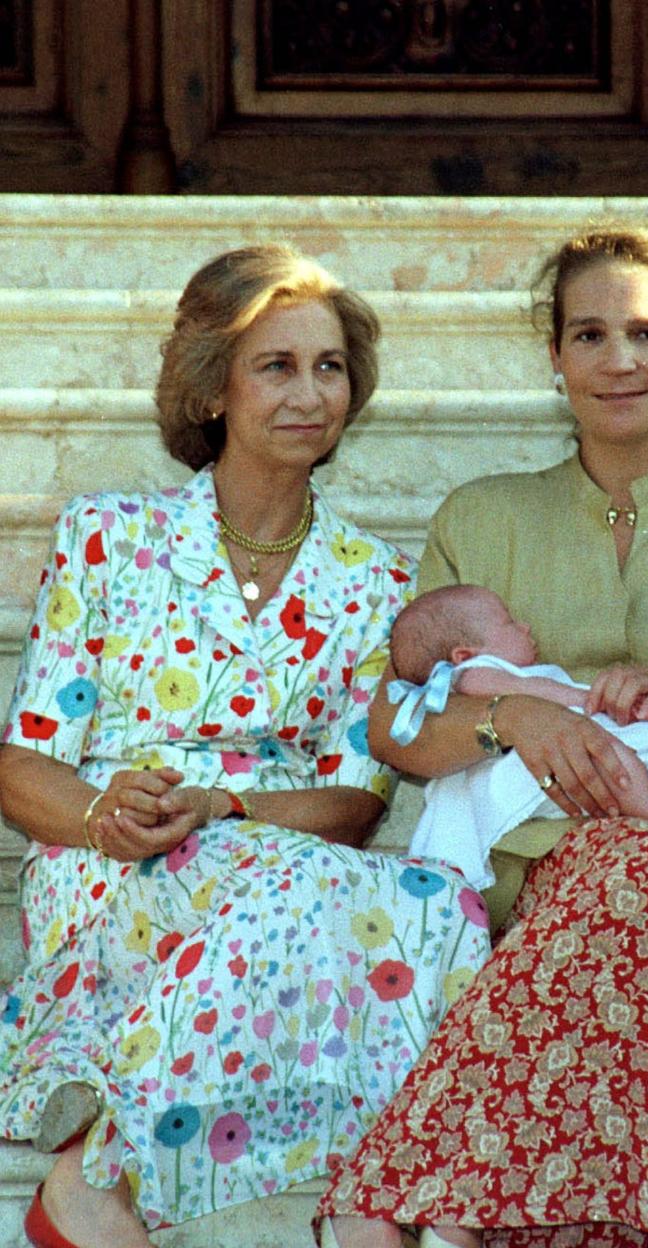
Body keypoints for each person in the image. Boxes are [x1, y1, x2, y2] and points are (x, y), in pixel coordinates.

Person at [318, 226, 648, 1248]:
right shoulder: (481, 520)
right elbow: (394, 726)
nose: (619, 361)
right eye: (590, 334)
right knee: (610, 871)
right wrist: (512, 715)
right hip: (542, 860)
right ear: (554, 357)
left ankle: (393, 1198)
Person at [0, 244, 491, 1248]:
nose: (312, 392)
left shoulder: (374, 581)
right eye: (276, 365)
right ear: (212, 386)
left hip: (271, 862)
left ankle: (339, 1190)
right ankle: (326, 1208)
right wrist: (107, 815)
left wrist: (224, 807)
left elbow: (355, 803)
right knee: (301, 896)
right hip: (111, 859)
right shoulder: (109, 538)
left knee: (430, 900)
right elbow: (23, 763)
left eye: (330, 366)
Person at [389, 583, 648, 891]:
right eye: (510, 624)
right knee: (611, 756)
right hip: (560, 767)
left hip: (597, 766)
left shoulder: (495, 671)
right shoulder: (471, 677)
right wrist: (587, 700)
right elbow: (532, 695)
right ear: (464, 655)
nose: (525, 627)